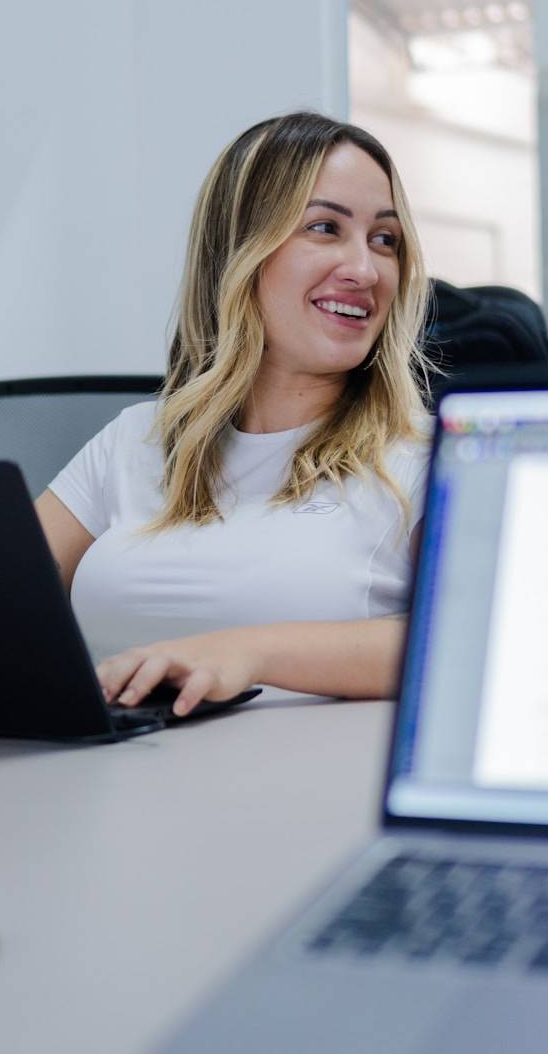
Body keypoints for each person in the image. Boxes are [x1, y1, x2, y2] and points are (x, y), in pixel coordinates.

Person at [35, 111, 432, 717]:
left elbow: (472, 638)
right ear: (238, 252)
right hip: (104, 788)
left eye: (385, 240)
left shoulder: (425, 459)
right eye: (325, 228)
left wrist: (246, 652)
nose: (365, 269)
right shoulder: (135, 440)